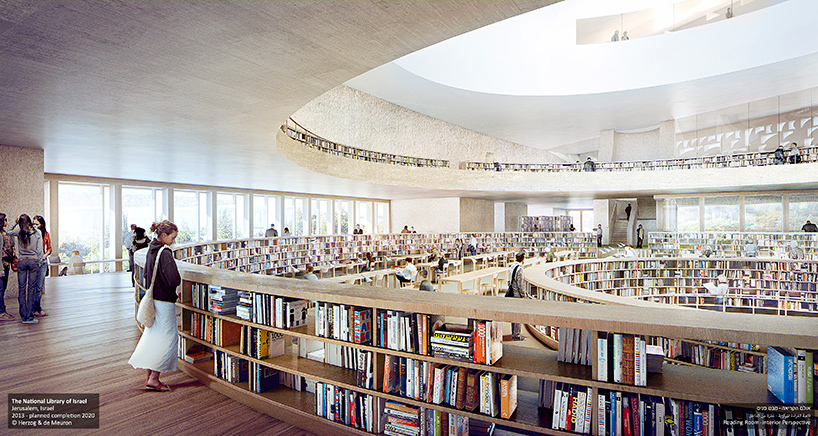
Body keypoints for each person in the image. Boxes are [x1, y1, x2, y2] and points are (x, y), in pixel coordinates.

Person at [129, 220, 181, 392]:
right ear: (164, 235)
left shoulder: (151, 249)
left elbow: (147, 274)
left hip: (154, 299)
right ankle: (154, 378)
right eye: (172, 237)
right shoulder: (165, 252)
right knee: (167, 339)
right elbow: (174, 279)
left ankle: (149, 377)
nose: (174, 241)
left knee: (153, 337)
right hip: (164, 301)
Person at [7, 214, 44, 324]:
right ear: (29, 221)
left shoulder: (19, 231)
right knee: (32, 289)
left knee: (22, 289)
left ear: (20, 222)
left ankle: (23, 317)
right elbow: (40, 250)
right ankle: (30, 317)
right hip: (33, 261)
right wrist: (40, 261)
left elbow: (8, 232)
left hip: (22, 261)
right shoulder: (37, 232)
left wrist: (14, 222)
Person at [505, 252, 529, 341]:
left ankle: (513, 332)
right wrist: (524, 295)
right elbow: (521, 285)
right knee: (519, 315)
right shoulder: (520, 269)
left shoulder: (511, 267)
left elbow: (508, 281)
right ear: (523, 259)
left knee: (513, 314)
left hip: (511, 293)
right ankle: (517, 335)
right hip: (517, 295)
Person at [32, 215, 51, 317]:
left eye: (37, 224)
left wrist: (45, 256)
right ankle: (33, 308)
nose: (35, 226)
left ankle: (38, 308)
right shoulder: (31, 234)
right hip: (33, 262)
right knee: (32, 287)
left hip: (42, 262)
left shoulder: (46, 234)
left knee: (39, 287)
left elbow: (49, 249)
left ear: (41, 225)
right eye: (33, 224)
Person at [0, 213, 15, 321]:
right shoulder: (1, 235)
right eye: (5, 220)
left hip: (6, 264)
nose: (6, 222)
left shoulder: (5, 233)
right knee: (1, 289)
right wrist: (0, 268)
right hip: (2, 265)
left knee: (3, 288)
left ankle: (2, 310)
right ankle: (1, 312)